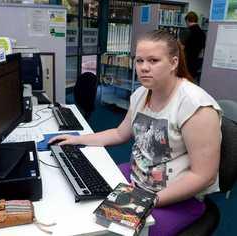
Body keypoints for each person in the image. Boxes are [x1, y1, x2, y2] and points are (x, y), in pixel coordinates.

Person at [49, 29, 222, 235]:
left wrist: (151, 201)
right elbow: (119, 133)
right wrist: (77, 139)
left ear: (174, 62)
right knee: (77, 201)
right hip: (137, 179)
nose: (144, 68)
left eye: (153, 60)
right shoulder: (142, 93)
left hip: (173, 197)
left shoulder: (197, 107)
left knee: (110, 231)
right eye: (139, 61)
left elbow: (204, 176)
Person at [183, 11, 206, 84]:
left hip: (186, 62)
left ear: (187, 20)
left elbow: (181, 48)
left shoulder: (186, 32)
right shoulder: (203, 33)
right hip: (197, 62)